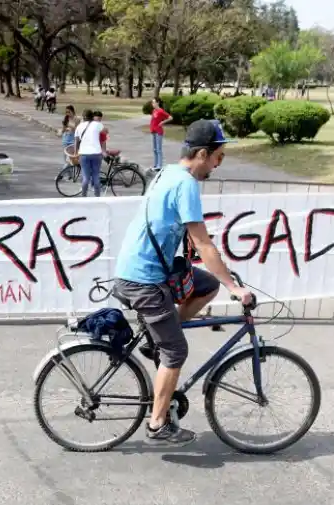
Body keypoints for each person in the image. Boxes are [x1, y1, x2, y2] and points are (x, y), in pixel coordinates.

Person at [112, 119, 254, 446]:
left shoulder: (167, 172)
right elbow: (203, 245)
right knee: (175, 351)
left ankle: (155, 339)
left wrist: (224, 280)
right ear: (202, 154)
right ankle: (157, 425)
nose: (219, 164)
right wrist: (235, 287)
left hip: (145, 269)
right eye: (218, 157)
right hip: (144, 279)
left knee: (206, 285)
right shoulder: (186, 184)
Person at [74, 108, 103, 197]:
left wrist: (76, 153)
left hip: (84, 154)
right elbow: (105, 131)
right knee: (96, 175)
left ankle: (84, 196)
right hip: (97, 153)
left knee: (86, 177)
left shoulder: (79, 126)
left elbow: (76, 140)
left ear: (83, 117)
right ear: (92, 116)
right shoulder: (98, 124)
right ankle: (97, 196)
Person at [149, 97, 172, 171]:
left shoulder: (160, 111)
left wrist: (162, 122)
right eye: (152, 102)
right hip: (153, 131)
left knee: (159, 149)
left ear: (157, 103)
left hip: (159, 132)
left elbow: (170, 117)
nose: (152, 104)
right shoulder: (154, 111)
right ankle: (155, 165)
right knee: (155, 149)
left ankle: (160, 165)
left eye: (154, 102)